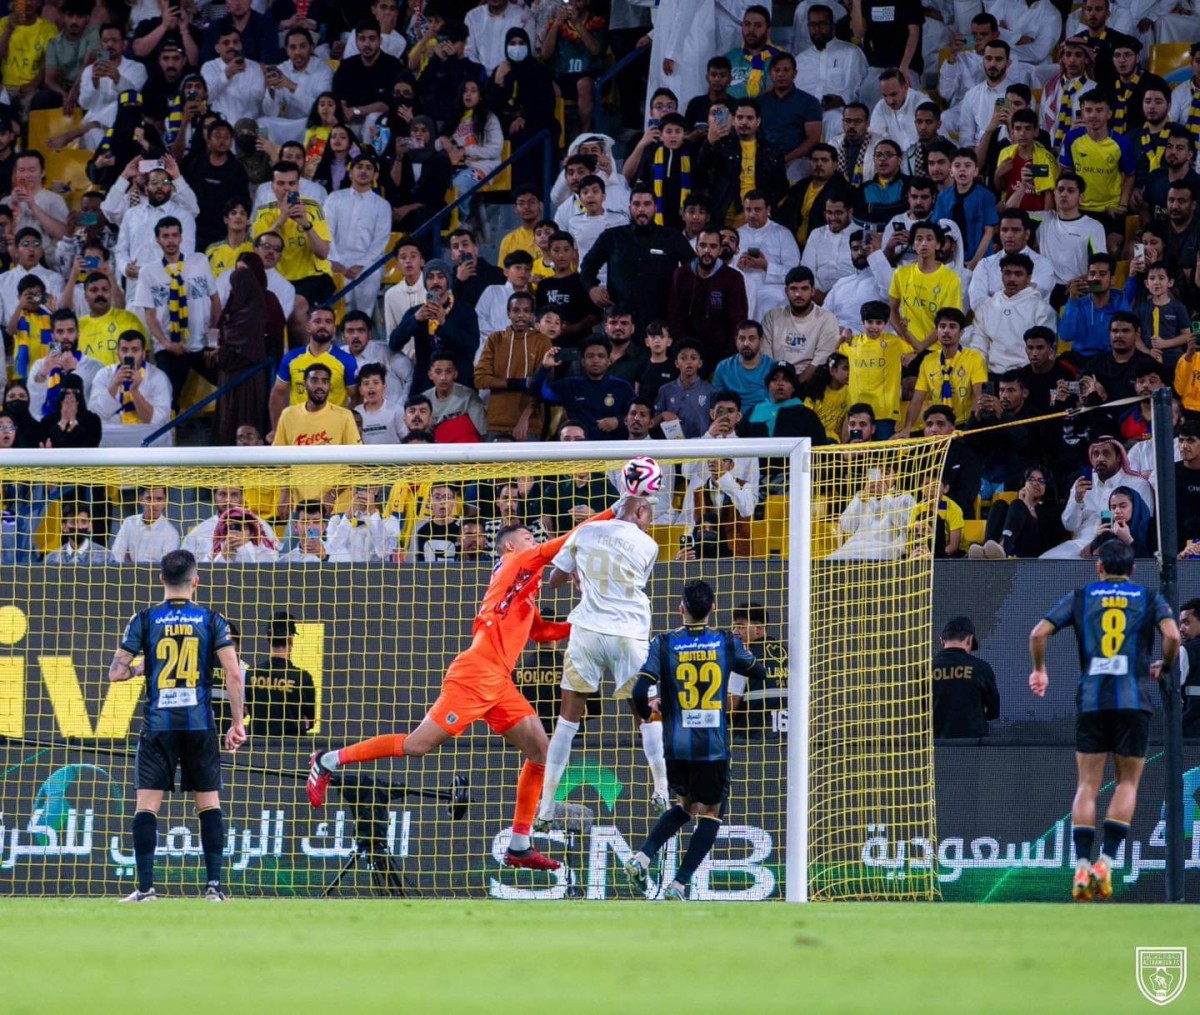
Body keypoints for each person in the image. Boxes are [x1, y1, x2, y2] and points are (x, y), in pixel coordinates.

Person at [307, 506, 624, 873]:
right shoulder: (516, 563)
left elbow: (538, 632)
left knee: (540, 750)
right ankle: (328, 760)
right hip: (475, 675)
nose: (533, 543)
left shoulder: (521, 592)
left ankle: (519, 845)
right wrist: (614, 511)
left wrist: (579, 625)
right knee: (417, 746)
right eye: (527, 539)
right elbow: (565, 542)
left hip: (499, 683)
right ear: (510, 548)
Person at [1028, 540, 1179, 902]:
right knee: (1127, 783)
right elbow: (1172, 635)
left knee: (1087, 785)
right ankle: (1106, 863)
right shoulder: (1147, 596)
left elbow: (1038, 633)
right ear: (1134, 569)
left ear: (1098, 567)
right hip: (1133, 701)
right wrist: (1165, 665)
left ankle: (1081, 864)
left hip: (1093, 700)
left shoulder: (1081, 596)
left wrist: (1040, 670)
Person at [109, 549, 246, 902]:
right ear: (195, 581)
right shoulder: (212, 620)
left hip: (159, 725)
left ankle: (145, 889)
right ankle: (214, 888)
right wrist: (236, 723)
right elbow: (233, 673)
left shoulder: (143, 619)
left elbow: (117, 672)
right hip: (199, 724)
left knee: (146, 806)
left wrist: (144, 667)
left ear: (161, 580)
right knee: (209, 804)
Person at [624, 579, 765, 900]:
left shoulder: (664, 643)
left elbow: (637, 690)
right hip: (712, 747)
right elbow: (758, 671)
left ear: (681, 609)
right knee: (712, 811)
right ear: (713, 608)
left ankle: (643, 856)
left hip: (676, 745)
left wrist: (649, 712)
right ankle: (679, 885)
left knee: (685, 805)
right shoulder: (726, 643)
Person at [536, 493, 664, 824]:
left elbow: (553, 582)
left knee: (567, 719)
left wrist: (577, 574)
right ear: (639, 511)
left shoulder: (585, 531)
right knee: (646, 713)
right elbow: (631, 583)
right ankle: (661, 790)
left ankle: (547, 804)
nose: (650, 522)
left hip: (587, 632)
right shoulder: (648, 545)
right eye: (650, 515)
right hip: (628, 635)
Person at [245, 612, 315, 737]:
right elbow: (309, 721)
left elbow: (246, 709)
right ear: (291, 639)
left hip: (258, 749)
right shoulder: (302, 678)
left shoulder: (251, 674)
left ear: (267, 637)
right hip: (292, 749)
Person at [932, 617, 1000, 738]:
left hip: (937, 746)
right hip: (972, 747)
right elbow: (993, 711)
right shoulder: (981, 668)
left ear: (942, 641)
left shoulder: (925, 669)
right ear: (970, 640)